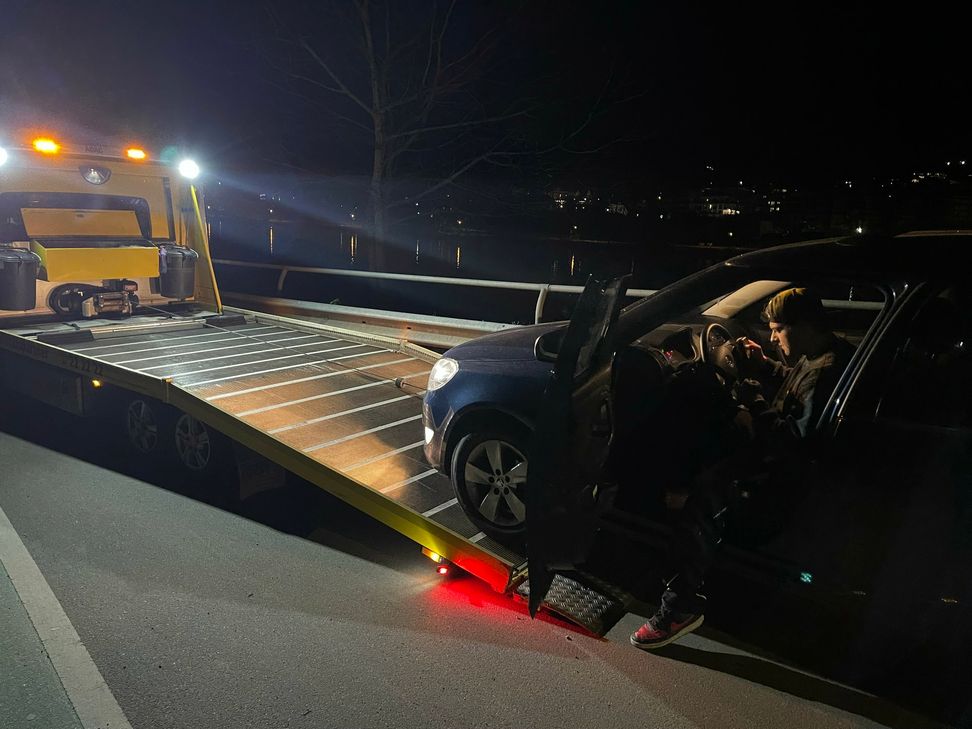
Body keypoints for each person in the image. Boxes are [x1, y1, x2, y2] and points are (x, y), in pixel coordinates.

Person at [630, 287, 855, 650]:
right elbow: (795, 385)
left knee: (703, 496)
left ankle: (679, 605)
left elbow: (795, 440)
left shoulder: (825, 371)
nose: (773, 336)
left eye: (780, 329)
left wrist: (753, 397)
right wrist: (765, 366)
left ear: (809, 326)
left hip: (780, 476)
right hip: (777, 457)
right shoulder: (823, 354)